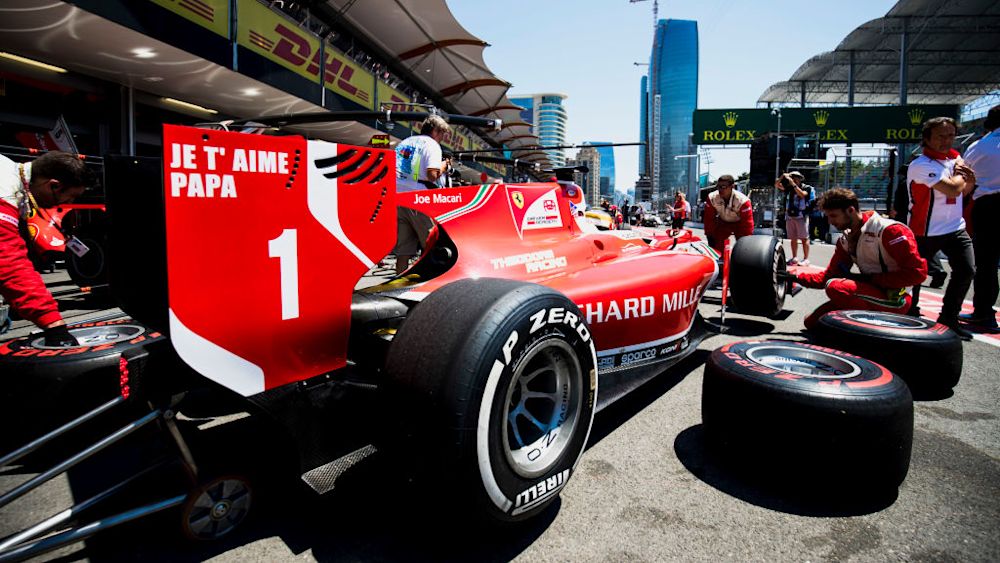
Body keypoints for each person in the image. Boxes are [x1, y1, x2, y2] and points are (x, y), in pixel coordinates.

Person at [790, 188, 927, 330]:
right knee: (812, 322)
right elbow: (829, 276)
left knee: (836, 287)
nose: (830, 222)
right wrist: (793, 277)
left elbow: (918, 273)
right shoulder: (845, 240)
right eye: (828, 217)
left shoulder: (890, 231)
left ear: (850, 210)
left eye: (833, 216)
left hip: (895, 299)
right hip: (869, 293)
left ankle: (867, 331)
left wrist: (872, 280)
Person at [1, 151, 90, 345]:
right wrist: (53, 324)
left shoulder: (11, 175)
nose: (69, 204)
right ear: (54, 185)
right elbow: (8, 263)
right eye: (70, 197)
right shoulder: (5, 188)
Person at [905, 116, 977, 339]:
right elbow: (953, 189)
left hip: (956, 228)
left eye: (950, 136)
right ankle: (907, 313)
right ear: (926, 139)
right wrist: (961, 177)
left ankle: (949, 318)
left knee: (966, 270)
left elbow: (965, 190)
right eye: (940, 136)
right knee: (914, 276)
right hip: (925, 231)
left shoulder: (955, 160)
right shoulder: (920, 164)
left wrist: (967, 180)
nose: (946, 141)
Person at [393, 115, 450, 275]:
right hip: (418, 200)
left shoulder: (405, 142)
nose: (442, 139)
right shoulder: (431, 145)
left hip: (398, 199)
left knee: (403, 251)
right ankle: (432, 283)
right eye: (442, 134)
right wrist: (445, 165)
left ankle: (400, 285)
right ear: (435, 130)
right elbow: (432, 174)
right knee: (432, 246)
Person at [960, 104, 1000, 329]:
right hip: (989, 204)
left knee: (987, 263)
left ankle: (984, 313)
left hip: (990, 205)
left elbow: (964, 173)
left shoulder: (981, 146)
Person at [703, 175, 753, 253]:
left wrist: (745, 242)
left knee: (743, 248)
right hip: (723, 223)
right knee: (717, 245)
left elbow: (747, 224)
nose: (720, 190)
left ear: (732, 186)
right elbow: (709, 219)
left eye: (723, 187)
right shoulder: (712, 197)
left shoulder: (743, 201)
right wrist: (710, 235)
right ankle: (720, 262)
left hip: (739, 224)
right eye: (718, 186)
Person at [775, 171, 815, 265]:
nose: (793, 178)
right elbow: (777, 185)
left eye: (796, 177)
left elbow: (802, 194)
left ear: (800, 178)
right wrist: (782, 177)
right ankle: (794, 257)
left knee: (804, 238)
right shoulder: (789, 188)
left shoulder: (807, 187)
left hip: (801, 216)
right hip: (790, 215)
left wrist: (793, 184)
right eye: (792, 177)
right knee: (793, 238)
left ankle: (806, 259)